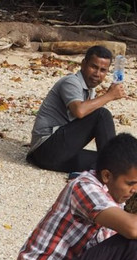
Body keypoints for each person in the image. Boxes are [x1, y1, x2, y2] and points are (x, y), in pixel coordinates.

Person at [26, 45, 125, 174]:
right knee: (102, 114)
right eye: (94, 67)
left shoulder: (90, 90)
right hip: (45, 150)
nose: (97, 74)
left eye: (102, 70)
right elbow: (79, 111)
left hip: (55, 154)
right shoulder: (71, 82)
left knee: (107, 163)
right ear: (83, 64)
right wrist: (109, 95)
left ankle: (111, 171)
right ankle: (113, 173)